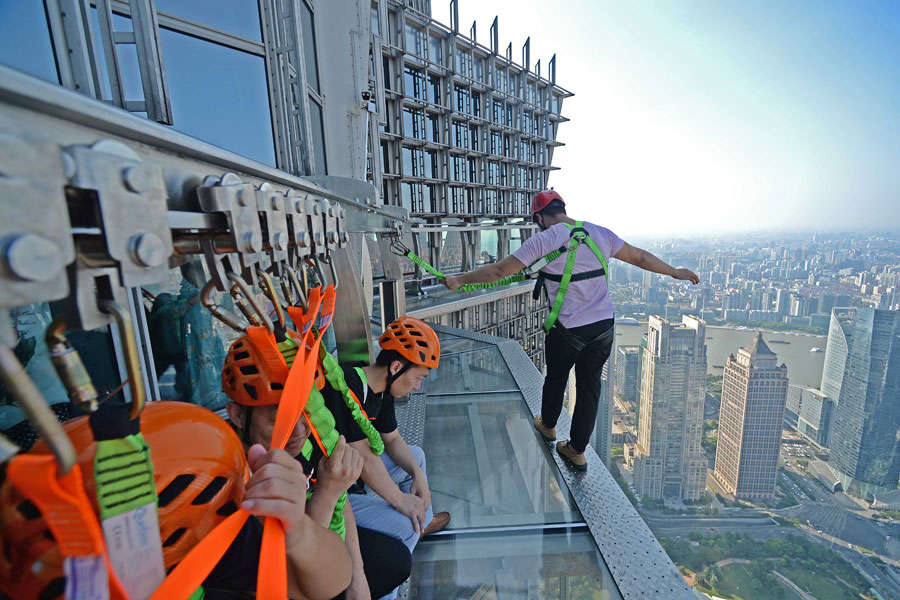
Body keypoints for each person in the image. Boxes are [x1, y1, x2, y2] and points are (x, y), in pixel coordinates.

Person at [443, 190, 699, 471]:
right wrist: (675, 271)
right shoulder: (600, 233)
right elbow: (638, 257)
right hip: (603, 326)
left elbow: (499, 271)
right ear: (562, 208)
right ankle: (576, 450)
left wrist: (459, 280)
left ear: (539, 217)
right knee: (590, 386)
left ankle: (549, 426)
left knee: (556, 377)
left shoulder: (545, 238)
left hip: (568, 328)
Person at [0, 400, 352, 600]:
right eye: (281, 418)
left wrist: (299, 530)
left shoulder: (211, 505)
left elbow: (327, 582)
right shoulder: (197, 497)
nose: (298, 431)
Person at [223, 328, 412, 600]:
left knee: (395, 561)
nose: (300, 431)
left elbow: (340, 502)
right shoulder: (230, 478)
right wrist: (327, 492)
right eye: (280, 418)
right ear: (238, 415)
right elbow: (295, 578)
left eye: (306, 412)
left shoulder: (297, 442)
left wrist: (358, 581)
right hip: (278, 574)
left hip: (313, 534)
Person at [322, 317, 451, 555]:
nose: (417, 387)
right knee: (406, 527)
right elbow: (364, 457)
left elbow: (392, 439)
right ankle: (411, 530)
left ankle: (423, 520)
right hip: (333, 493)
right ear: (395, 368)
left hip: (355, 475)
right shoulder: (348, 387)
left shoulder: (382, 391)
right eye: (418, 378)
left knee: (416, 456)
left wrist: (417, 475)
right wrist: (401, 500)